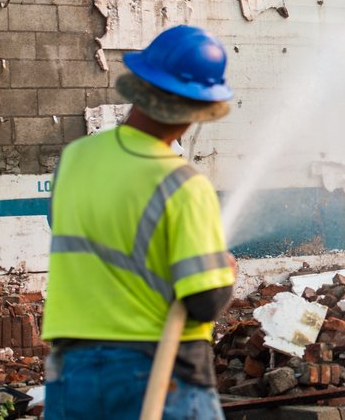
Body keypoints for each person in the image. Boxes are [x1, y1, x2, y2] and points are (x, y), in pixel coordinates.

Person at [41, 25, 237, 419]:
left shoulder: (76, 159)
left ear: (140, 87)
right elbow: (203, 301)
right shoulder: (182, 185)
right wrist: (223, 271)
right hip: (158, 373)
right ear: (198, 110)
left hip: (73, 371)